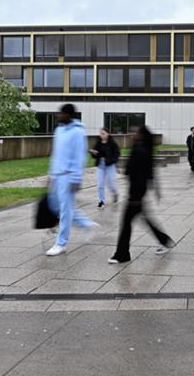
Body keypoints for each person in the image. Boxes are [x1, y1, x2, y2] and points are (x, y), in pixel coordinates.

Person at [108, 125, 174, 263]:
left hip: (136, 194)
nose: (133, 134)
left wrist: (136, 197)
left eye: (135, 132)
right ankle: (164, 240)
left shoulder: (141, 150)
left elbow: (141, 174)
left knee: (126, 223)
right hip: (137, 193)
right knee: (143, 220)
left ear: (142, 135)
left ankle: (122, 254)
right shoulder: (140, 148)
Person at [45, 104, 98, 256]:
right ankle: (87, 225)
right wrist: (51, 174)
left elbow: (80, 156)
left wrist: (76, 178)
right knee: (56, 206)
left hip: (69, 176)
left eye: (61, 113)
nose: (58, 116)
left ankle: (61, 243)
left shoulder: (78, 132)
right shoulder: (59, 130)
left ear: (69, 115)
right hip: (57, 175)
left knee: (65, 210)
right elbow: (55, 154)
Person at [89, 127, 120, 208]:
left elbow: (117, 154)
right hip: (100, 165)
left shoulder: (112, 143)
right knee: (100, 184)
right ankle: (101, 201)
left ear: (107, 134)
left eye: (103, 133)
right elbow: (95, 155)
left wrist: (112, 160)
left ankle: (115, 193)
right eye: (100, 133)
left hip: (109, 165)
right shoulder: (98, 143)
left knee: (111, 184)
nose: (101, 135)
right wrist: (93, 153)